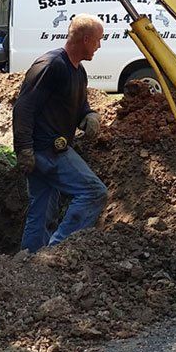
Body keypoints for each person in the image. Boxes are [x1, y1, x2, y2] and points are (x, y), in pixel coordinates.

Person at [13, 13, 108, 253]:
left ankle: (31, 262)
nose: (99, 46)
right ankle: (57, 251)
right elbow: (24, 107)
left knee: (42, 209)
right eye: (98, 40)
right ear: (86, 39)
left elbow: (76, 106)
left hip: (44, 150)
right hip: (47, 150)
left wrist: (88, 115)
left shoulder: (78, 71)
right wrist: (24, 148)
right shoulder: (51, 65)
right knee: (93, 192)